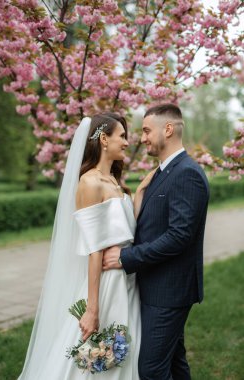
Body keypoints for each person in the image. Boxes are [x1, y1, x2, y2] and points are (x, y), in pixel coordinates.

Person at [18, 114, 141, 379]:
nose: (127, 142)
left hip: (129, 280)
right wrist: (92, 307)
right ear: (104, 140)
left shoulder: (117, 184)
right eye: (122, 136)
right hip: (108, 284)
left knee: (126, 355)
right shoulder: (90, 183)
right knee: (100, 359)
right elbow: (94, 249)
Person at [103, 104, 210, 380]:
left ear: (169, 129)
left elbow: (179, 236)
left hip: (169, 291)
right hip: (156, 286)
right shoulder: (163, 173)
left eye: (147, 130)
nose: (143, 138)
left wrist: (127, 257)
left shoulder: (187, 173)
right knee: (174, 361)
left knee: (151, 369)